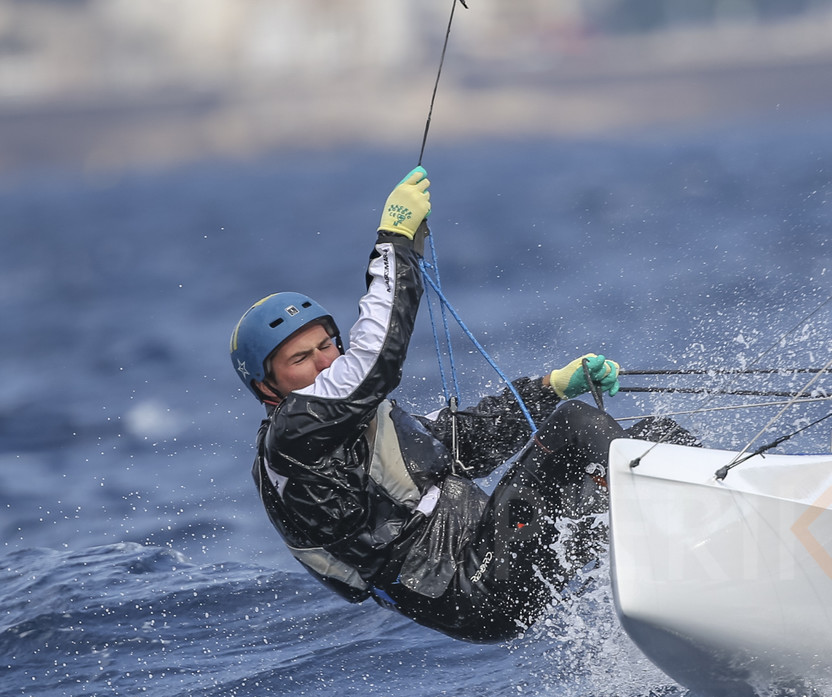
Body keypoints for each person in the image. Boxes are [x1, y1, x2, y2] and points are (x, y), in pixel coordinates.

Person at [230, 168, 690, 642]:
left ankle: (716, 564)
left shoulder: (358, 429)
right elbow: (377, 360)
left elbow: (465, 441)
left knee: (657, 438)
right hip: (470, 587)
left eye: (327, 345)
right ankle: (694, 546)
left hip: (499, 560)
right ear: (269, 388)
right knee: (576, 428)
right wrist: (394, 243)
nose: (325, 363)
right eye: (301, 359)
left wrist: (551, 386)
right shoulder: (293, 438)